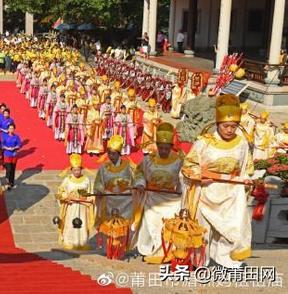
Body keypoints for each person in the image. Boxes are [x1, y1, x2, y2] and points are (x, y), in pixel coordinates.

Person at [181, 94, 254, 268]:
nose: (230, 130)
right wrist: (199, 176)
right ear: (217, 123)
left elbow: (246, 169)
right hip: (206, 192)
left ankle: (226, 261)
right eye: (226, 126)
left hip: (230, 194)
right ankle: (199, 262)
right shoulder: (204, 142)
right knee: (203, 230)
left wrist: (247, 181)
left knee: (230, 229)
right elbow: (188, 165)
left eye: (234, 126)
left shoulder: (242, 143)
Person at [132, 122, 183, 264]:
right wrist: (140, 184)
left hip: (171, 199)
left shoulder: (179, 161)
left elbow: (183, 179)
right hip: (152, 197)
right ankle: (147, 250)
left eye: (167, 148)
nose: (164, 151)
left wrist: (182, 190)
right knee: (150, 224)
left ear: (171, 147)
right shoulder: (148, 160)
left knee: (169, 225)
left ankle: (169, 251)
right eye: (161, 148)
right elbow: (139, 173)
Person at [93, 135, 134, 226]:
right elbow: (99, 182)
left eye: (113, 154)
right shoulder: (103, 167)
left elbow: (135, 181)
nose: (111, 156)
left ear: (119, 154)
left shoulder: (128, 166)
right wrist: (98, 190)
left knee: (124, 226)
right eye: (109, 153)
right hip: (108, 200)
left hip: (125, 200)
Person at [56, 154, 94, 251]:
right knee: (70, 222)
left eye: (79, 170)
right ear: (71, 170)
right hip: (71, 206)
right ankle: (69, 241)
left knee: (83, 223)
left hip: (83, 207)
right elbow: (60, 192)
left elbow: (90, 193)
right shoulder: (67, 180)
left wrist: (89, 199)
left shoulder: (86, 180)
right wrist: (67, 197)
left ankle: (82, 241)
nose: (77, 172)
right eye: (75, 170)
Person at [0, 123, 22, 190]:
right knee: (8, 169)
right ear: (8, 129)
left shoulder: (16, 137)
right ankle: (8, 181)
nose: (11, 130)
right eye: (10, 128)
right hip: (7, 154)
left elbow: (19, 145)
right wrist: (7, 148)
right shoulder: (5, 137)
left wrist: (14, 147)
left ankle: (11, 182)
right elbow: (2, 146)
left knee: (12, 169)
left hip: (14, 155)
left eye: (12, 128)